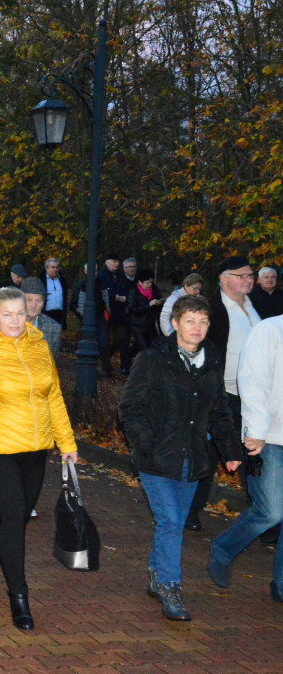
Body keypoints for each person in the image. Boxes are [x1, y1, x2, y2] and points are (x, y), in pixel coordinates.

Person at [119, 296, 242, 621]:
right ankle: (171, 587)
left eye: (203, 321)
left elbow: (219, 409)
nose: (197, 328)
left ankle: (157, 575)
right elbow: (130, 408)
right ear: (175, 323)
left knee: (169, 523)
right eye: (190, 320)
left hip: (193, 458)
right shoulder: (153, 358)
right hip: (157, 458)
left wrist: (231, 451)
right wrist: (147, 445)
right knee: (171, 521)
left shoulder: (211, 358)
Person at [0, 287, 77, 630]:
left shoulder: (39, 345)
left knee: (15, 517)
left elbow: (53, 396)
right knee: (14, 516)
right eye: (7, 315)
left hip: (36, 448)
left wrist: (67, 442)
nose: (15, 321)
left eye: (20, 313)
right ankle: (19, 596)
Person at [208, 311, 283, 601]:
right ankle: (223, 549)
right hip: (270, 438)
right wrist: (255, 429)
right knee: (271, 510)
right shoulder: (270, 330)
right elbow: (251, 380)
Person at [188, 257, 261, 531]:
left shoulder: (257, 307)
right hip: (222, 393)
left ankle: (267, 515)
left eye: (250, 275)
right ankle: (191, 510)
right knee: (210, 453)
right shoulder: (212, 309)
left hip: (254, 397)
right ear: (224, 278)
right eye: (241, 275)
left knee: (253, 453)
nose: (248, 280)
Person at [98, 255, 129, 375]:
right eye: (114, 261)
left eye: (118, 261)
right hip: (105, 312)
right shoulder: (101, 276)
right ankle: (106, 366)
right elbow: (101, 293)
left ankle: (103, 358)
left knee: (120, 338)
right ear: (107, 262)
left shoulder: (120, 276)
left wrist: (124, 298)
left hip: (119, 313)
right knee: (104, 340)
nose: (117, 263)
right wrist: (114, 297)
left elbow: (126, 291)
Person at [21, 277, 62, 359]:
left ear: (44, 303)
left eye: (38, 301)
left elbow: (51, 363)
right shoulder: (6, 325)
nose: (34, 306)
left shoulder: (54, 329)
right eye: (29, 300)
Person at [125, 268, 164, 356]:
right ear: (140, 282)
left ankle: (127, 360)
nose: (150, 285)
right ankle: (133, 364)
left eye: (151, 282)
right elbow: (132, 309)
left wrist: (159, 303)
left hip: (152, 325)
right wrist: (148, 306)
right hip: (138, 326)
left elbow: (159, 302)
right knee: (145, 350)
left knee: (146, 347)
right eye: (147, 283)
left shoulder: (155, 289)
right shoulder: (133, 292)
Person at [40, 258, 69, 327]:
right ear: (46, 268)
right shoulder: (41, 281)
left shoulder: (62, 280)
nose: (55, 270)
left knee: (56, 336)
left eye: (57, 267)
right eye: (52, 267)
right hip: (45, 314)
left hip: (59, 314)